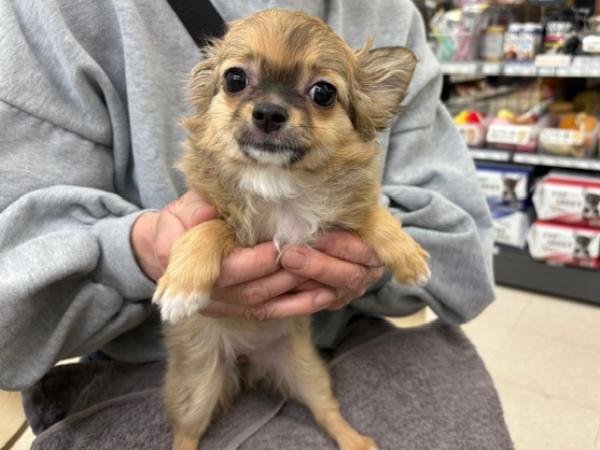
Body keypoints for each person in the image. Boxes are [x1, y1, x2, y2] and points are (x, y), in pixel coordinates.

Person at [0, 0, 494, 398]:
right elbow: (11, 325)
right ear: (206, 89)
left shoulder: (392, 14)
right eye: (238, 82)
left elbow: (466, 269)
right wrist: (135, 253)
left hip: (339, 346)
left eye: (321, 94)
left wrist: (373, 253)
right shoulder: (58, 11)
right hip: (144, 365)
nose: (270, 109)